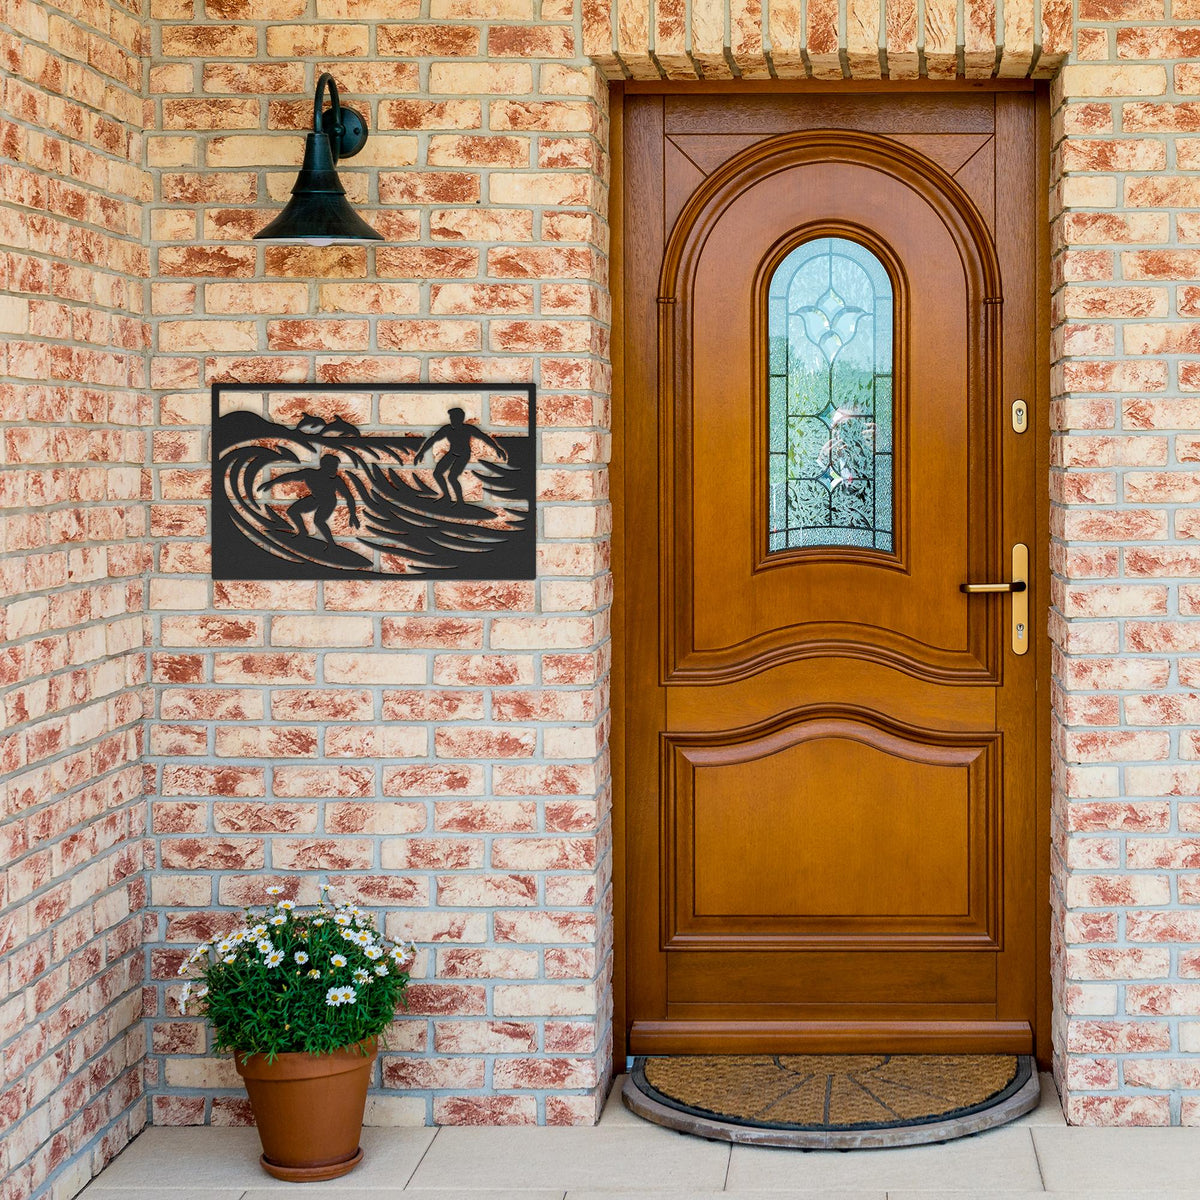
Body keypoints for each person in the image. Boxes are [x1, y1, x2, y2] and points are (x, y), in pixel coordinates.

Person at [414, 407, 508, 505]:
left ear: (460, 419)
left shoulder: (468, 429)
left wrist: (497, 448)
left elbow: (483, 437)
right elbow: (433, 439)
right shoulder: (447, 429)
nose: (452, 420)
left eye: (454, 418)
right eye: (451, 418)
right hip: (452, 453)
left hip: (463, 455)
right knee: (437, 473)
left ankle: (460, 502)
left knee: (452, 477)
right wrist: (421, 452)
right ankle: (447, 496)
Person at [259, 453, 358, 543]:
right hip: (316, 498)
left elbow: (349, 497)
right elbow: (291, 476)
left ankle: (332, 544)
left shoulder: (336, 480)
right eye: (333, 467)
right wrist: (272, 482)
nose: (335, 470)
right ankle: (303, 532)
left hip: (329, 501)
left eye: (336, 468)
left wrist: (353, 514)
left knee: (318, 521)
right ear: (324, 466)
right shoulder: (310, 474)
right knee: (292, 511)